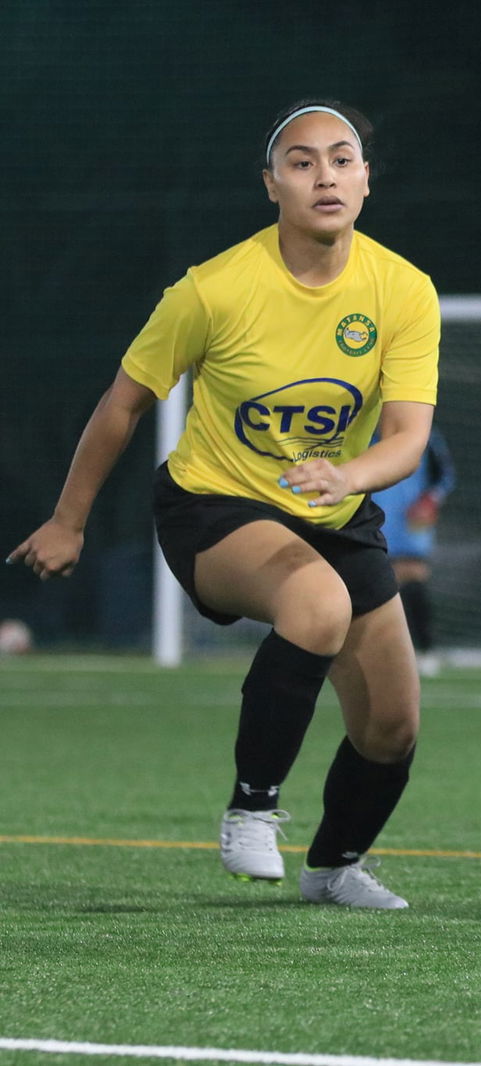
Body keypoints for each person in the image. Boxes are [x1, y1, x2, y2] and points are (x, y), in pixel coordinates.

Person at [7, 99, 440, 909]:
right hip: (215, 506)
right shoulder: (212, 290)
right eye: (303, 162)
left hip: (335, 511)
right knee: (317, 605)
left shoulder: (403, 290)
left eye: (343, 160)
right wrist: (69, 520)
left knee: (392, 727)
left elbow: (409, 437)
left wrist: (349, 480)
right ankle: (252, 807)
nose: (325, 177)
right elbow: (122, 405)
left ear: (367, 179)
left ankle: (334, 865)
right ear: (271, 183)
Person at [371, 428, 455, 676]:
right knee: (373, 588)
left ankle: (426, 649)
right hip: (368, 522)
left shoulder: (426, 438)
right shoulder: (358, 433)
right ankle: (379, 652)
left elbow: (444, 477)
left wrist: (429, 501)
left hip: (408, 522)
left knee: (413, 579)